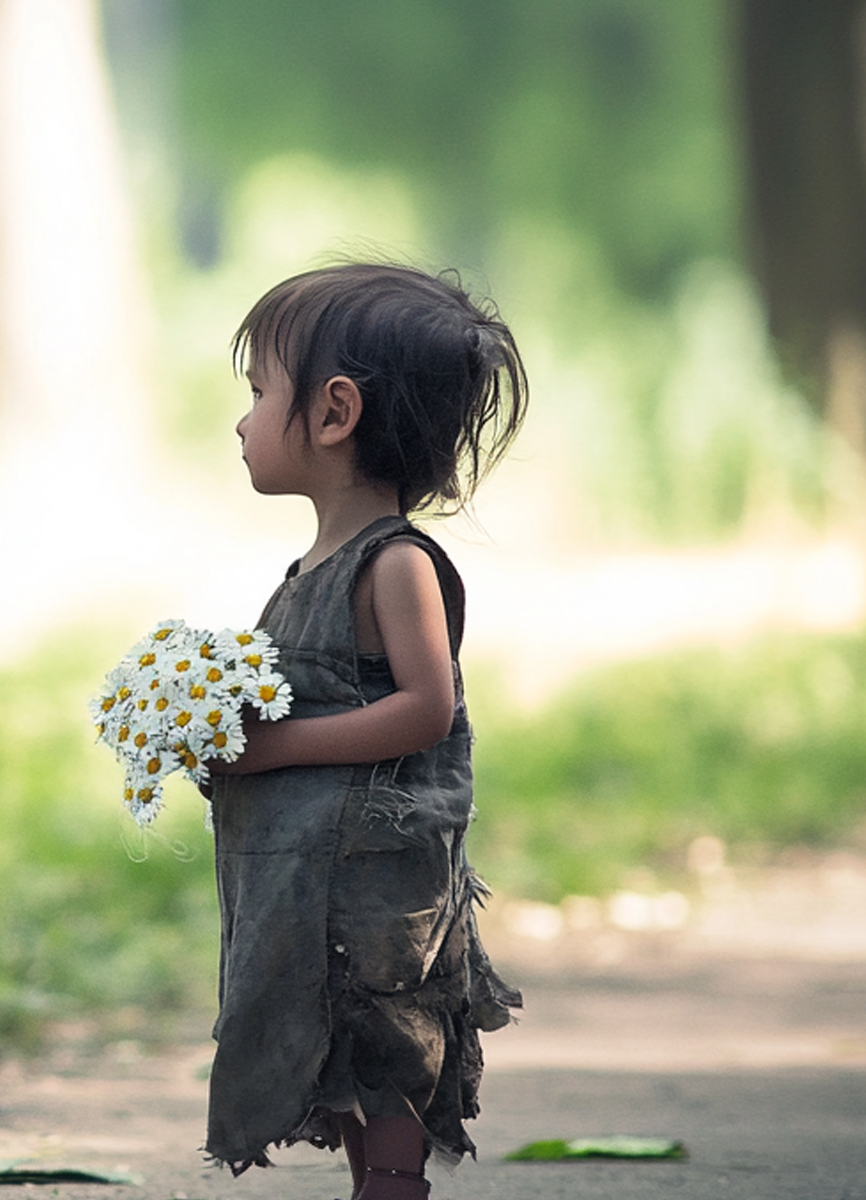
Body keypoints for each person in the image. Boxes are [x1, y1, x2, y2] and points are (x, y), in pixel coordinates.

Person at [204, 263, 528, 1200]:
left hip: (375, 885)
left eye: (261, 392)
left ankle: (393, 1188)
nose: (243, 419)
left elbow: (427, 708)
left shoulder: (394, 565)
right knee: (336, 1033)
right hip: (305, 880)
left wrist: (272, 750)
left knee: (383, 1030)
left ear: (335, 412)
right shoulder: (308, 567)